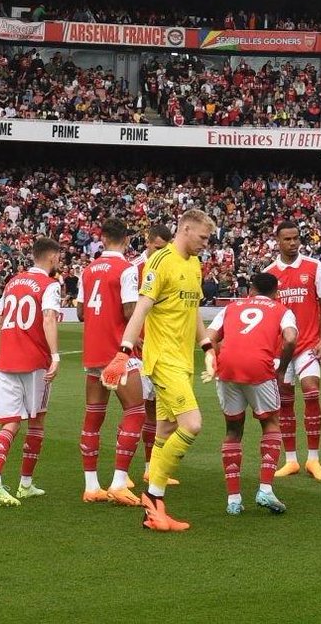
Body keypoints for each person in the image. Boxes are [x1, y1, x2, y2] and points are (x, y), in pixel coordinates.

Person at [102, 209, 217, 532]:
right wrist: (124, 351)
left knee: (165, 432)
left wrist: (207, 347)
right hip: (163, 360)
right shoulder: (160, 262)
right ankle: (153, 503)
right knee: (192, 424)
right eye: (203, 238)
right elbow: (141, 308)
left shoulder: (194, 265)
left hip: (183, 360)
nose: (205, 245)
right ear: (186, 229)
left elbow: (193, 310)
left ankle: (154, 509)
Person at [206, 271, 298, 515]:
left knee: (233, 430)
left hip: (227, 369)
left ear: (251, 291)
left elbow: (209, 337)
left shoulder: (232, 307)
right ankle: (265, 490)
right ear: (276, 293)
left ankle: (233, 500)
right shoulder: (281, 310)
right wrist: (283, 370)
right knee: (271, 424)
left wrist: (217, 359)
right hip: (259, 369)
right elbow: (290, 339)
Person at [0, 237, 63, 508]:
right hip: (34, 363)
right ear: (51, 257)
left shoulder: (12, 282)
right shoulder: (50, 285)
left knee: (11, 422)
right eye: (59, 257)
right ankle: (25, 484)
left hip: (6, 360)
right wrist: (55, 356)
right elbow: (49, 317)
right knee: (37, 421)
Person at [76, 218, 146, 507]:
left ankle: (91, 486)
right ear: (127, 240)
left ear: (102, 239)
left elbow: (81, 312)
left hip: (93, 353)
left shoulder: (88, 270)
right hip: (118, 353)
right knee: (136, 411)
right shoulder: (127, 269)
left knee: (93, 417)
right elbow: (130, 310)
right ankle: (119, 481)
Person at [266, 220, 321, 481]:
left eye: (296, 238)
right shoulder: (269, 272)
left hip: (308, 344)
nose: (292, 243)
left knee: (312, 391)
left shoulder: (314, 267)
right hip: (280, 350)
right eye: (287, 239)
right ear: (278, 241)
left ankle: (313, 459)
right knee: (285, 402)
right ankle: (291, 459)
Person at [131, 223, 176, 482]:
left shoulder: (167, 265)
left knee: (158, 410)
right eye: (157, 247)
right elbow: (126, 307)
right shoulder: (135, 269)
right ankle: (130, 470)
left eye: (165, 248)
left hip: (162, 347)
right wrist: (133, 336)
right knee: (139, 409)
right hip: (140, 350)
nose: (160, 252)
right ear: (147, 242)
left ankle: (152, 468)